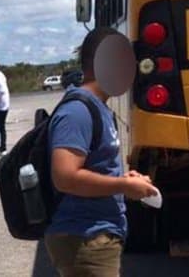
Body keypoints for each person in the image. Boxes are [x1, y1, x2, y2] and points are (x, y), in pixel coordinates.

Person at [44, 27, 158, 276]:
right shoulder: (77, 112)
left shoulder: (98, 108)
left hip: (96, 235)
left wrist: (124, 181)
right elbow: (64, 177)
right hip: (85, 238)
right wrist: (123, 186)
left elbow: (94, 167)